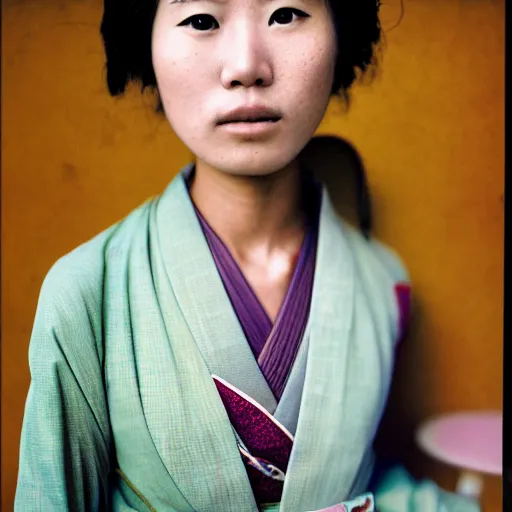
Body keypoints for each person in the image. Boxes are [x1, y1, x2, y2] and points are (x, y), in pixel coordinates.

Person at [15, 0, 479, 510]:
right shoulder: (86, 292)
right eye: (201, 20)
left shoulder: (382, 282)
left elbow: (370, 479)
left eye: (285, 14)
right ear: (145, 42)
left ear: (340, 33)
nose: (246, 68)